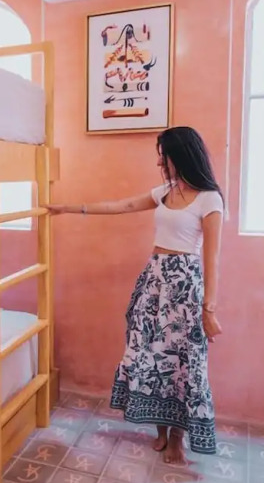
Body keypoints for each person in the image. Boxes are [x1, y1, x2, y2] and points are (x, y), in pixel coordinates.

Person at [45, 126, 223, 465]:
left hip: (184, 289)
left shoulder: (209, 199)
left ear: (181, 156)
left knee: (182, 363)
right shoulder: (166, 191)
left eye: (164, 156)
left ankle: (177, 438)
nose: (160, 162)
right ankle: (160, 429)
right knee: (148, 356)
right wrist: (69, 208)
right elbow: (122, 205)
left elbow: (212, 259)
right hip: (153, 283)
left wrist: (208, 310)